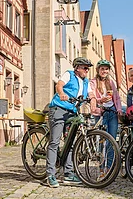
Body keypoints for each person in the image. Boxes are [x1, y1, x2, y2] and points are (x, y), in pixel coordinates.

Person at [46, 57, 96, 188]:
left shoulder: (86, 82)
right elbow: (59, 85)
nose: (87, 70)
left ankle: (68, 173)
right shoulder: (69, 74)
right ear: (77, 68)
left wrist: (95, 101)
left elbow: (91, 94)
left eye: (88, 68)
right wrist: (61, 93)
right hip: (59, 109)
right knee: (54, 142)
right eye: (85, 67)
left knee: (71, 143)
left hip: (73, 112)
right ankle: (50, 175)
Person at [89, 59, 122, 178]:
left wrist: (118, 108)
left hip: (112, 112)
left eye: (106, 69)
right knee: (101, 142)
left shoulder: (111, 83)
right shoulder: (93, 82)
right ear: (98, 70)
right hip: (99, 113)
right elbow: (91, 96)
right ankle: (102, 169)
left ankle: (110, 167)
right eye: (102, 68)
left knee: (112, 141)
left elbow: (117, 98)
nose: (104, 71)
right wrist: (99, 100)